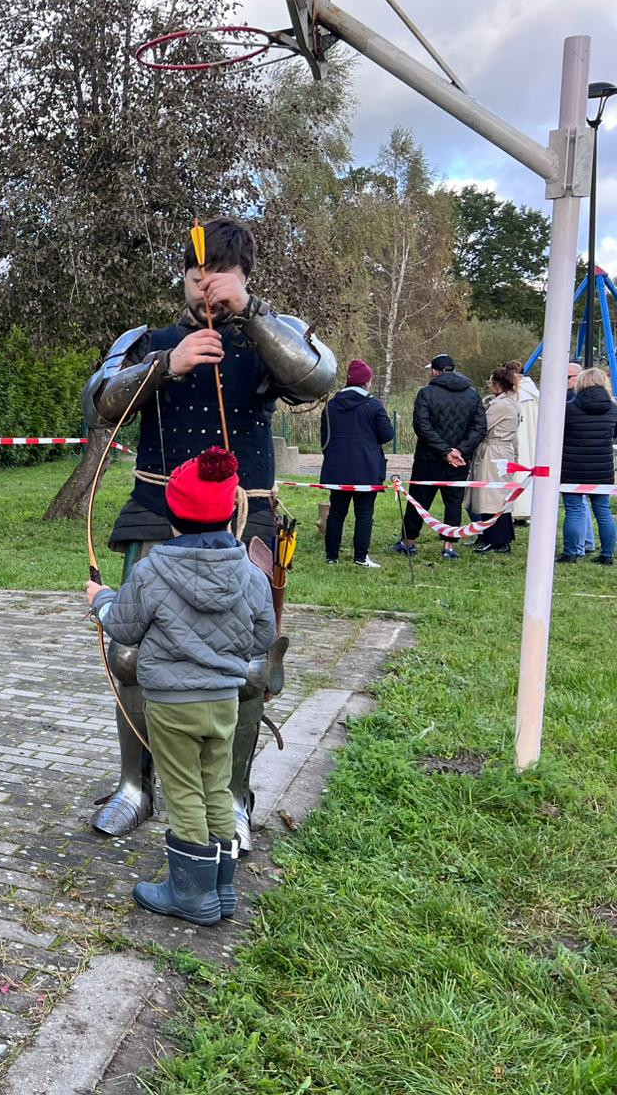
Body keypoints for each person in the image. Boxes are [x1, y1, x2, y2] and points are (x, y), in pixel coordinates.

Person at [77, 217, 336, 848]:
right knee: (132, 652)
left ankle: (234, 801)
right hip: (156, 511)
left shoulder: (272, 336)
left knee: (247, 660)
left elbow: (318, 378)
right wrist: (167, 365)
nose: (205, 287)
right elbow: (98, 403)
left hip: (246, 517)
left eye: (218, 275)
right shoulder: (148, 340)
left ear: (244, 275)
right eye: (196, 276)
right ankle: (137, 788)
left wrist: (249, 317)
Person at [86, 448, 276, 926]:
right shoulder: (250, 573)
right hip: (224, 704)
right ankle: (221, 888)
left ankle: (191, 896)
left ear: (172, 519)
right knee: (215, 786)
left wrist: (101, 600)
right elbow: (263, 638)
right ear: (232, 514)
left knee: (184, 790)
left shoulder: (152, 571)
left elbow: (124, 629)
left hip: (172, 705)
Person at [394, 355, 486, 561]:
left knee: (418, 501)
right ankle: (449, 546)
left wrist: (445, 451)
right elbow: (480, 427)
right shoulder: (473, 395)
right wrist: (459, 451)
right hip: (458, 461)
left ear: (435, 371)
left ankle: (408, 542)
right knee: (453, 503)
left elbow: (422, 427)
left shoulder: (426, 393)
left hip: (429, 458)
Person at [319, 358, 394, 567]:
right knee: (364, 514)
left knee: (336, 512)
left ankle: (331, 556)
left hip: (338, 468)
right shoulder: (373, 405)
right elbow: (387, 434)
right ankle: (360, 557)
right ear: (366, 382)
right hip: (366, 468)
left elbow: (324, 438)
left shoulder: (330, 406)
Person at [557, 367, 617, 564]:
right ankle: (607, 555)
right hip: (602, 467)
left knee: (573, 510)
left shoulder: (568, 408)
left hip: (572, 467)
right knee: (603, 511)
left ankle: (571, 552)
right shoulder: (614, 408)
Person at [471, 367, 520, 554]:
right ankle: (499, 538)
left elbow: (483, 424)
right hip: (502, 450)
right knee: (499, 496)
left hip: (494, 451)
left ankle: (497, 540)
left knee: (491, 497)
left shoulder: (501, 405)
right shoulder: (510, 402)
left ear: (497, 385)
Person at [566, 362, 598, 553]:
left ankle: (576, 548)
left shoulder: (572, 403)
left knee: (576, 506)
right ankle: (589, 543)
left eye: (568, 377)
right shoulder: (609, 405)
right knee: (595, 507)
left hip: (575, 460)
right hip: (597, 461)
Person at [505, 361, 539, 526]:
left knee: (517, 473)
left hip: (518, 439)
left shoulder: (516, 395)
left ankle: (516, 510)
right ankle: (529, 510)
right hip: (534, 439)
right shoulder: (534, 393)